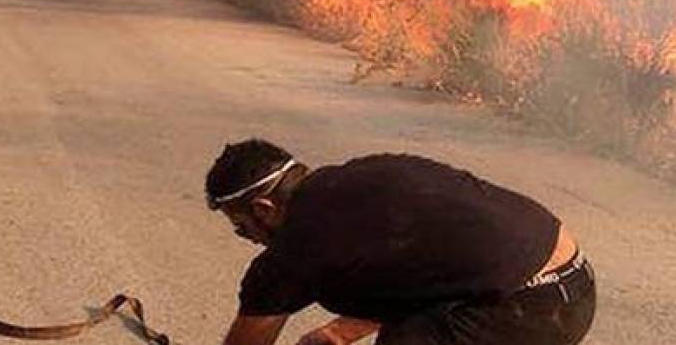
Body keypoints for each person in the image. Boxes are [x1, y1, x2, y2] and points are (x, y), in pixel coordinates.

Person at [205, 139, 596, 345]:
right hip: (575, 287)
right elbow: (427, 269)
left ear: (264, 208)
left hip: (524, 311)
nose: (249, 240)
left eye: (242, 228)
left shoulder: (294, 249)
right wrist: (340, 332)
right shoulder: (369, 175)